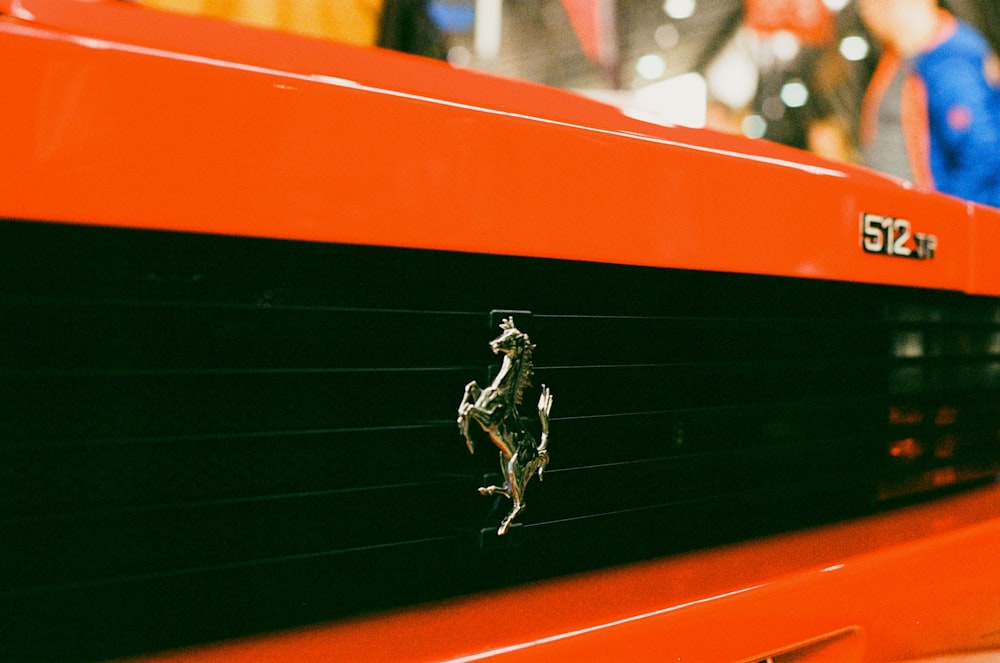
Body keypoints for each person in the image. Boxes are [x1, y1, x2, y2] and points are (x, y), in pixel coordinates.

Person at [858, 0, 1000, 208]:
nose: (867, 15)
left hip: (937, 222)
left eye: (870, 6)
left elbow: (982, 152)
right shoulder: (905, 59)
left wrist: (946, 216)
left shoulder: (949, 58)